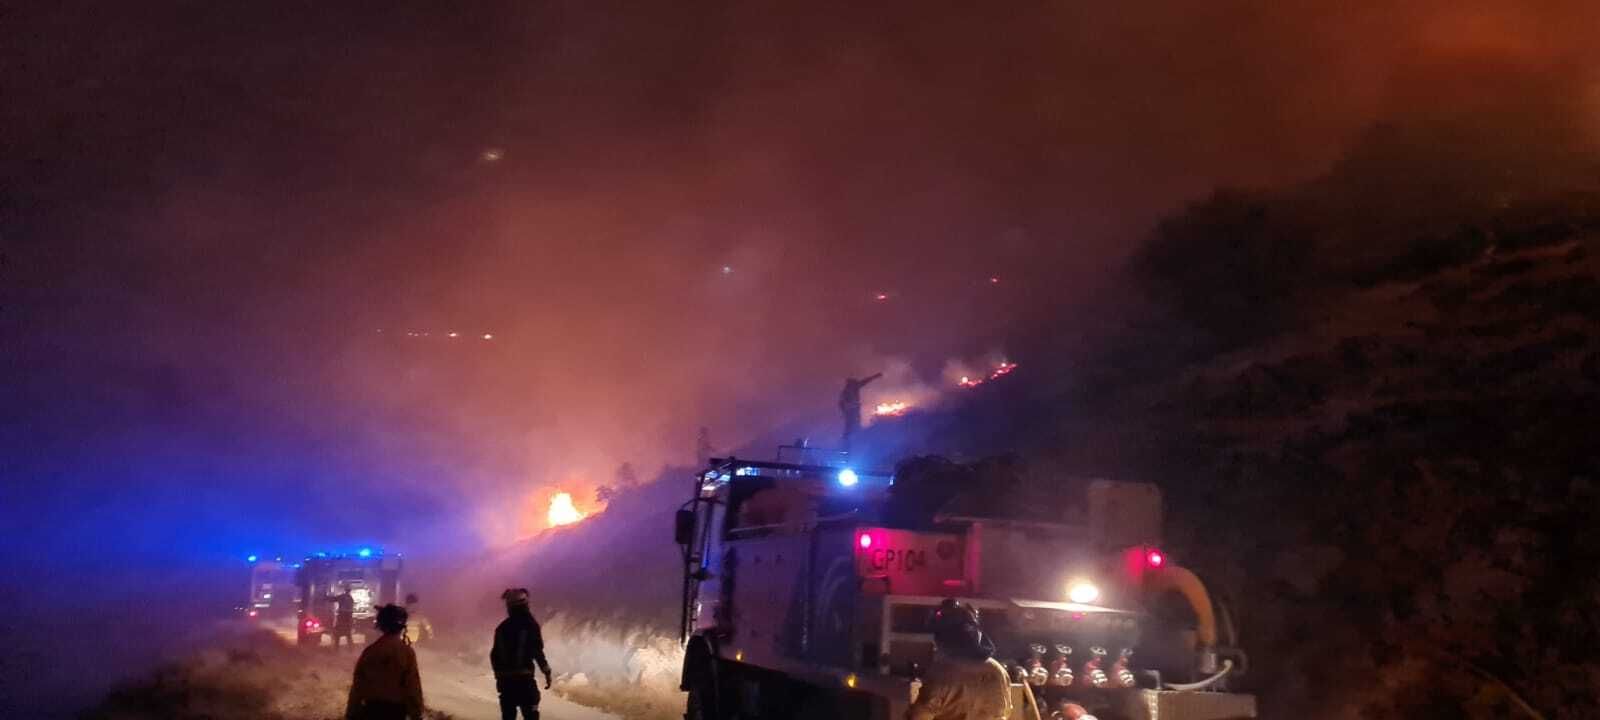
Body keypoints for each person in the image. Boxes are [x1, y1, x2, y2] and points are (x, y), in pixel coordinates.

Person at [907, 598, 1040, 720]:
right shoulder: (997, 670)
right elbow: (1004, 712)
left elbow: (920, 716)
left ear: (945, 639)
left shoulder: (943, 673)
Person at [346, 604, 424, 720]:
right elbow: (412, 686)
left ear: (381, 625)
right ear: (402, 627)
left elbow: (358, 685)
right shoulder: (406, 653)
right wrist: (416, 713)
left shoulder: (370, 651)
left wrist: (352, 713)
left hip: (371, 711)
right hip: (395, 712)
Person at [491, 588, 553, 720]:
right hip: (525, 683)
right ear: (524, 605)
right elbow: (537, 651)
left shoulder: (501, 628)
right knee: (532, 714)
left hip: (506, 686)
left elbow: (494, 656)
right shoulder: (530, 625)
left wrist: (500, 678)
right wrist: (546, 671)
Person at [839, 372, 883, 447]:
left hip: (853, 411)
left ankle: (852, 442)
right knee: (850, 427)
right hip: (851, 412)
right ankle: (846, 443)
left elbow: (865, 381)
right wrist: (846, 409)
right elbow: (841, 403)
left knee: (853, 427)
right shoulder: (846, 391)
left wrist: (876, 376)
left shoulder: (852, 388)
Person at [333, 583, 357, 650]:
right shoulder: (351, 598)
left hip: (342, 617)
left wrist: (324, 597)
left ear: (345, 589)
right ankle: (351, 649)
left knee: (338, 634)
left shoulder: (342, 597)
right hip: (348, 618)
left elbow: (333, 599)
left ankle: (336, 649)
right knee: (348, 634)